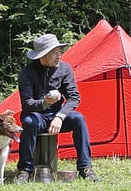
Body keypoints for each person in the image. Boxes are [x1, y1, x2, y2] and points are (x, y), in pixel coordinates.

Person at [13, 32, 99, 182]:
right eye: (54, 53)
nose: (59, 56)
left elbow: (74, 98)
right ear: (42, 56)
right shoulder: (27, 73)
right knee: (29, 122)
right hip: (35, 115)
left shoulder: (65, 69)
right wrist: (45, 102)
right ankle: (24, 171)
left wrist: (60, 116)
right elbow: (27, 103)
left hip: (57, 114)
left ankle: (86, 168)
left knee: (79, 119)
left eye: (60, 52)